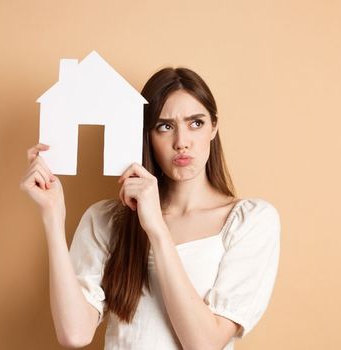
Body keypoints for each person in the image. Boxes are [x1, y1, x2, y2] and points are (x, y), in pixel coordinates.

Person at [20, 67, 281, 349]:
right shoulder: (108, 219)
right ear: (146, 134)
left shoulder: (250, 220)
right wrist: (53, 216)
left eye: (196, 123)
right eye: (165, 126)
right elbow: (75, 334)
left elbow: (204, 344)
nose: (181, 142)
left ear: (214, 127)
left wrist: (156, 228)